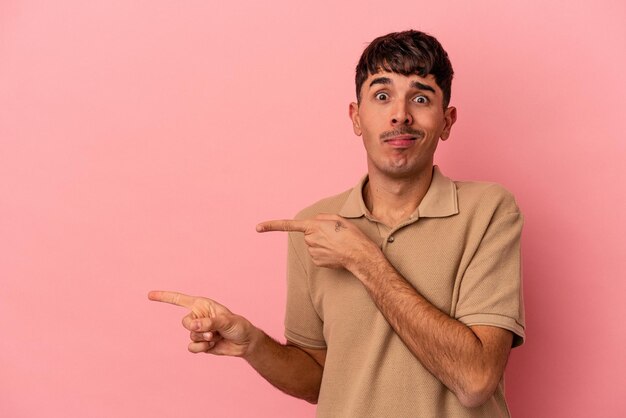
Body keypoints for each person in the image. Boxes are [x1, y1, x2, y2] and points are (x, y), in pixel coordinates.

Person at [149, 30, 525, 417]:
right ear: (356, 117)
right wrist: (253, 345)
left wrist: (364, 260)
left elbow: (476, 380)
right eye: (382, 96)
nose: (400, 114)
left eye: (420, 97)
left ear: (446, 121)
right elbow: (318, 378)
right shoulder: (312, 226)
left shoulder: (490, 211)